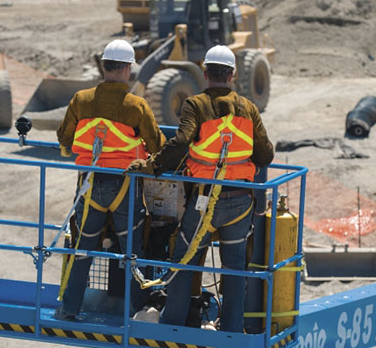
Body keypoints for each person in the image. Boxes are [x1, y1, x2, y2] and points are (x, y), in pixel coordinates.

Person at [126, 45, 274, 332]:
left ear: (205, 73)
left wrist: (152, 165)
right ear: (232, 75)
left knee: (185, 260)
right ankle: (230, 328)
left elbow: (181, 142)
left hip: (204, 200)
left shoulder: (196, 104)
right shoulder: (249, 108)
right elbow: (265, 155)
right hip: (240, 200)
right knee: (234, 269)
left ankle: (172, 323)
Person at [55, 39, 165, 321]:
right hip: (125, 187)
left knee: (83, 249)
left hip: (89, 187)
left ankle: (69, 309)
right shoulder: (136, 106)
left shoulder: (81, 100)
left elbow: (65, 138)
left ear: (104, 66)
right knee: (132, 252)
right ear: (128, 69)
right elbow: (157, 145)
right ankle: (135, 312)